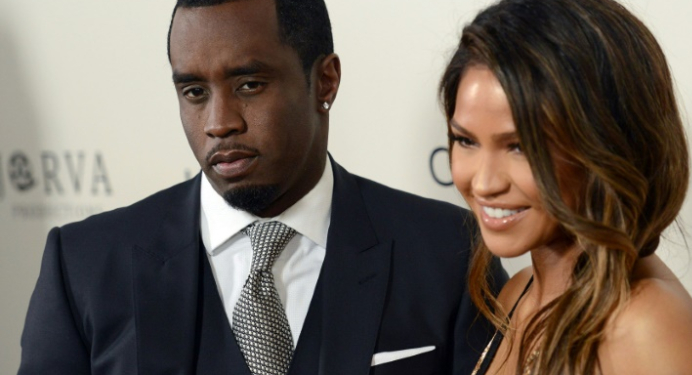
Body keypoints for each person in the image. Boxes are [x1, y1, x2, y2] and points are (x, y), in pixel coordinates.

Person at [18, 0, 507, 374]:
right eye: (193, 92)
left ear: (325, 82)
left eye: (249, 85)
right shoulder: (83, 266)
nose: (219, 123)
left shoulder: (449, 253)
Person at [439, 0, 692, 374]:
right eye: (466, 141)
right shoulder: (518, 293)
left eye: (520, 147)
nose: (484, 182)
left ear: (606, 144)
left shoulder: (645, 325)